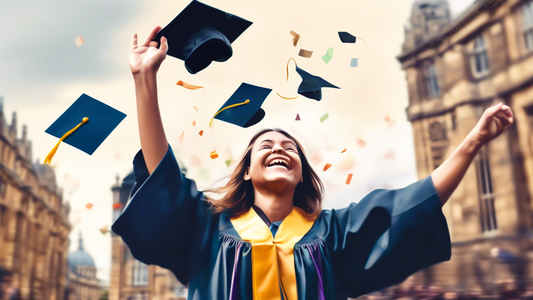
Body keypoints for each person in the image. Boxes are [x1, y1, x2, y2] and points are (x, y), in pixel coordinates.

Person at [111, 26, 515, 300]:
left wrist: (472, 142)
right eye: (264, 144)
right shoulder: (206, 228)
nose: (279, 148)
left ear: (302, 172)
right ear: (247, 171)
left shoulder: (333, 232)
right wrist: (145, 79)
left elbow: (415, 203)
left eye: (289, 147)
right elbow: (163, 179)